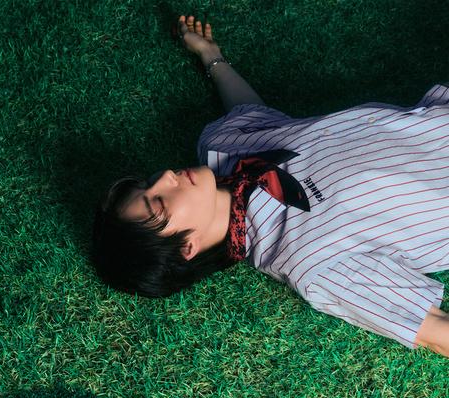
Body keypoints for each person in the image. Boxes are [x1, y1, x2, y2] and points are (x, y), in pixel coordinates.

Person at [91, 15, 449, 357]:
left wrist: (211, 56)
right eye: (159, 203)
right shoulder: (310, 263)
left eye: (149, 182)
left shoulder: (220, 146)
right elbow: (435, 331)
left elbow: (255, 115)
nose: (166, 176)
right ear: (187, 247)